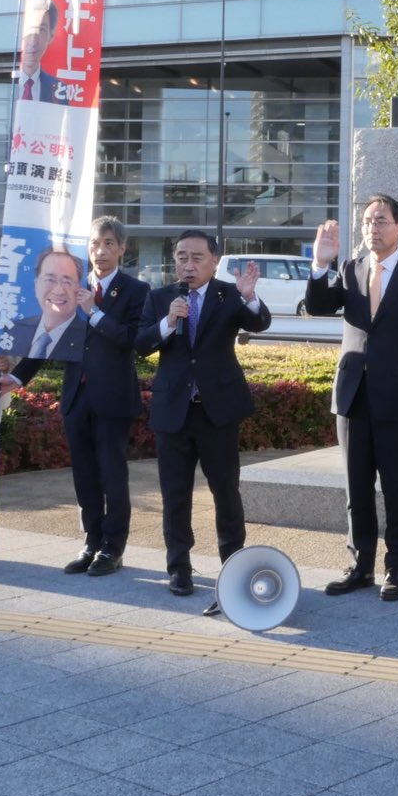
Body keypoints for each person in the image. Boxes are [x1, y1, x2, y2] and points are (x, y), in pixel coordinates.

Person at [306, 197, 398, 602]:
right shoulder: (350, 268)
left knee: (396, 485)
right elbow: (317, 307)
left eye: (381, 221)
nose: (372, 228)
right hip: (353, 396)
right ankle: (360, 565)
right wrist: (320, 265)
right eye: (367, 221)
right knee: (356, 486)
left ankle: (397, 567)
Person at [5, 222, 148, 575]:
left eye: (109, 244)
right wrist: (18, 375)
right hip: (75, 396)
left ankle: (113, 548)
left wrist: (95, 313)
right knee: (84, 475)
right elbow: (48, 333)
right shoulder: (72, 286)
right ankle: (91, 542)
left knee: (112, 476)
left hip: (113, 398)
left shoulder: (136, 290)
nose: (100, 250)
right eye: (95, 243)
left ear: (122, 249)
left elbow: (132, 340)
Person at [135, 230, 270, 602]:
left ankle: (234, 565)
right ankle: (179, 567)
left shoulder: (229, 294)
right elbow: (141, 344)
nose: (187, 264)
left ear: (214, 260)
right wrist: (167, 323)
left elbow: (259, 323)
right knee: (175, 495)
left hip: (218, 412)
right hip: (173, 412)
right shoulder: (161, 296)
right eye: (181, 257)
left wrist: (250, 297)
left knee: (226, 492)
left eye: (196, 257)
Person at [6, 247, 85, 364]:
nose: (58, 291)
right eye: (50, 280)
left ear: (79, 287)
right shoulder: (13, 329)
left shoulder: (86, 335)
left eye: (67, 282)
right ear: (36, 285)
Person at [14, 0, 63, 104]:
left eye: (41, 30)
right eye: (29, 29)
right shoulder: (9, 85)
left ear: (51, 36)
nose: (33, 41)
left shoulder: (59, 90)